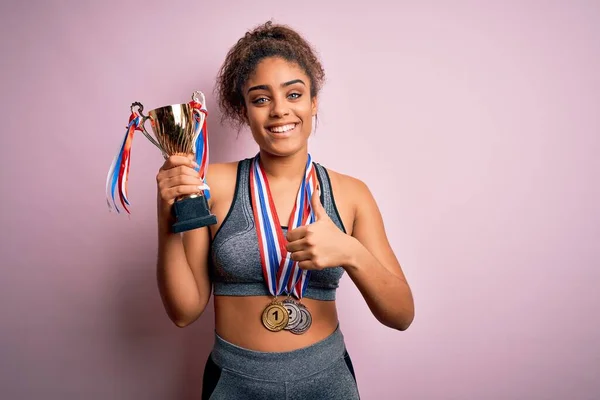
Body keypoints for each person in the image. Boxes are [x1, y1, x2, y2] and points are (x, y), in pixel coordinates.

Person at [155, 20, 415, 400]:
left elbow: (401, 315)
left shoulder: (351, 194)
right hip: (234, 382)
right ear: (244, 111)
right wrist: (166, 213)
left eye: (294, 95)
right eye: (261, 99)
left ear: (313, 103)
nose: (279, 110)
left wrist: (349, 251)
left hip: (327, 381)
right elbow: (184, 311)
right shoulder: (212, 184)